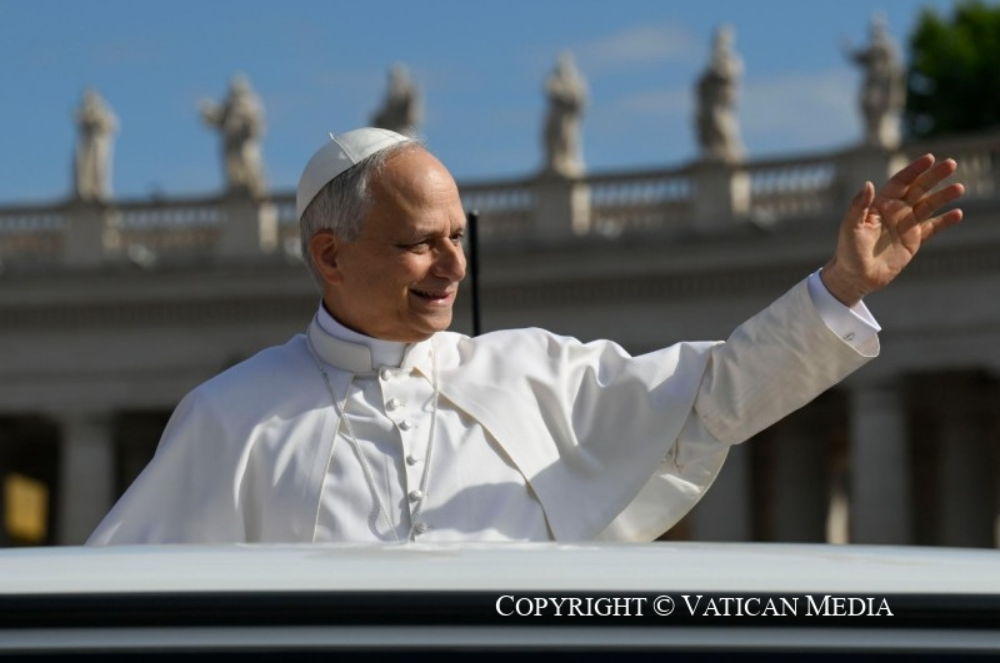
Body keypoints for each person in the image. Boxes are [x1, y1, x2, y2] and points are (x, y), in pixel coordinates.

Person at [88, 127, 964, 544]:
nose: (451, 266)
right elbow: (118, 604)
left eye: (457, 238)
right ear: (329, 252)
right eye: (418, 244)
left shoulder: (535, 373)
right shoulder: (229, 416)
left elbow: (719, 393)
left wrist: (841, 286)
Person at [200, 74, 267, 197]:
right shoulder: (229, 105)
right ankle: (236, 189)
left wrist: (250, 128)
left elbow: (257, 124)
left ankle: (253, 190)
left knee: (250, 165)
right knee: (233, 167)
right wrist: (208, 112)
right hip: (231, 143)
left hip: (244, 143)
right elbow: (217, 118)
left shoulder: (251, 104)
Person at [696, 25, 744, 164]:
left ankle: (726, 150)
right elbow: (701, 83)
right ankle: (716, 150)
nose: (718, 44)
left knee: (721, 122)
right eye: (717, 41)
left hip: (722, 101)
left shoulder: (731, 60)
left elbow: (730, 77)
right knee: (712, 122)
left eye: (721, 41)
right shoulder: (713, 62)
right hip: (711, 100)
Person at [542, 52, 587, 177]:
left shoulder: (576, 81)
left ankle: (566, 162)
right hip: (556, 115)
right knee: (553, 139)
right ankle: (556, 162)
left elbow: (581, 99)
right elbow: (549, 88)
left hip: (568, 118)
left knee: (567, 139)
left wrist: (571, 100)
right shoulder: (554, 80)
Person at [73, 89, 118, 203]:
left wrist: (96, 120)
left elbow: (111, 126)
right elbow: (79, 120)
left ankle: (98, 192)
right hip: (86, 145)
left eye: (90, 99)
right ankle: (84, 191)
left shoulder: (105, 113)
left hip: (98, 144)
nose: (88, 103)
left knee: (98, 168)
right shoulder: (84, 112)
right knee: (82, 166)